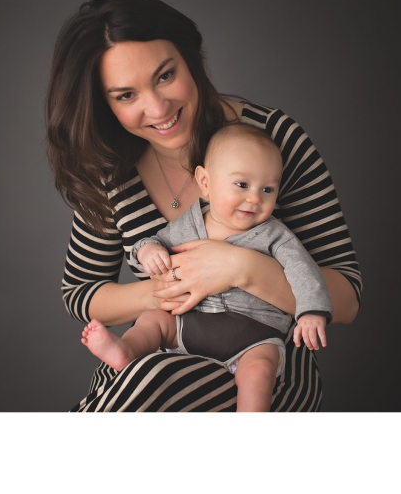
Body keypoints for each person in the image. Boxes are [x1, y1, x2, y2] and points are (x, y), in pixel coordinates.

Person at [46, 0, 361, 412]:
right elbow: (80, 292)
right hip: (146, 365)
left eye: (164, 75)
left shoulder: (272, 141)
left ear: (190, 58)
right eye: (126, 96)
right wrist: (157, 293)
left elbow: (346, 300)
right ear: (104, 105)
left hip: (258, 370)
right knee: (144, 380)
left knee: (152, 385)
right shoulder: (112, 169)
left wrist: (241, 269)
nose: (158, 108)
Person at [80, 123, 333, 411]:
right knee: (153, 320)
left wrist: (311, 310)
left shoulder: (275, 235)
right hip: (190, 323)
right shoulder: (190, 224)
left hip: (254, 334)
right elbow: (154, 242)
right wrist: (147, 250)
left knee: (259, 372)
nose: (254, 198)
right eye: (242, 185)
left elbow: (305, 272)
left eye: (267, 189)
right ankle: (126, 350)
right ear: (205, 182)